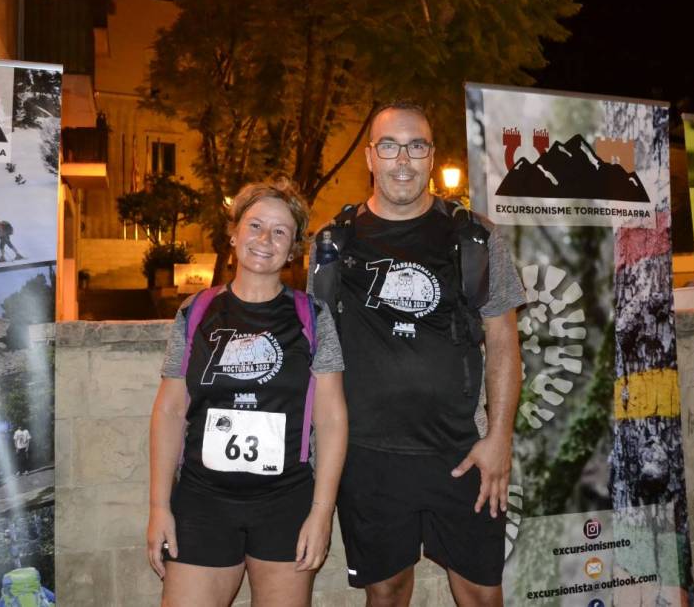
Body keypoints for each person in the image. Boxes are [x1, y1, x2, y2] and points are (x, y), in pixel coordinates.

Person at [309, 102, 524, 606]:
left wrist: (499, 439)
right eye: (389, 146)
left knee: (482, 594)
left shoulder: (475, 237)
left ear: (432, 156)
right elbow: (320, 355)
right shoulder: (332, 245)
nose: (402, 159)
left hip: (462, 451)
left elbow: (503, 342)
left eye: (416, 146)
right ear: (369, 157)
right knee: (386, 592)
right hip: (369, 457)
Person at [149, 177, 348, 607]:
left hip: (285, 501)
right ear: (234, 232)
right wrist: (159, 506)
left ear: (293, 248)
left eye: (280, 232)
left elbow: (331, 418)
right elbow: (169, 411)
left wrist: (322, 512)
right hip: (203, 499)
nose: (265, 239)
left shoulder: (313, 317)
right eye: (255, 226)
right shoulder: (196, 311)